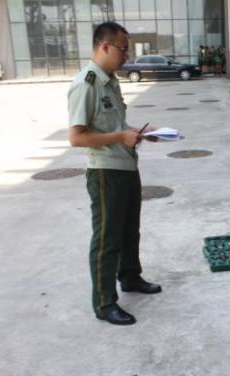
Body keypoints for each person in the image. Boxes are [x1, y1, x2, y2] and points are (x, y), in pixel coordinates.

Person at [67, 22, 162, 326]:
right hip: (105, 172)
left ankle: (130, 277)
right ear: (104, 46)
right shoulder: (87, 84)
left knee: (129, 231)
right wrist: (121, 137)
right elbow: (77, 137)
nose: (126, 55)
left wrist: (139, 133)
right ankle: (104, 302)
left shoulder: (110, 81)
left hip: (126, 166)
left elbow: (115, 126)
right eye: (123, 49)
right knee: (107, 239)